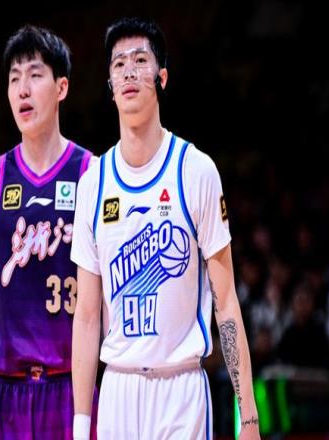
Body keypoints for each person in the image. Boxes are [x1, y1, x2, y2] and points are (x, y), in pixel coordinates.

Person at [71, 17, 260, 439]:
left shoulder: (196, 170)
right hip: (117, 389)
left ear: (162, 77)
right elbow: (85, 317)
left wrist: (247, 415)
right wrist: (81, 426)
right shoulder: (93, 183)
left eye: (141, 60)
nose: (129, 71)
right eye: (119, 64)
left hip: (182, 387)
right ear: (109, 85)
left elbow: (226, 303)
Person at [0, 25, 96, 440]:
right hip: (6, 393)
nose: (22, 89)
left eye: (35, 75)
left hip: (73, 389)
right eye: (14, 78)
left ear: (62, 87)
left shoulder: (92, 174)